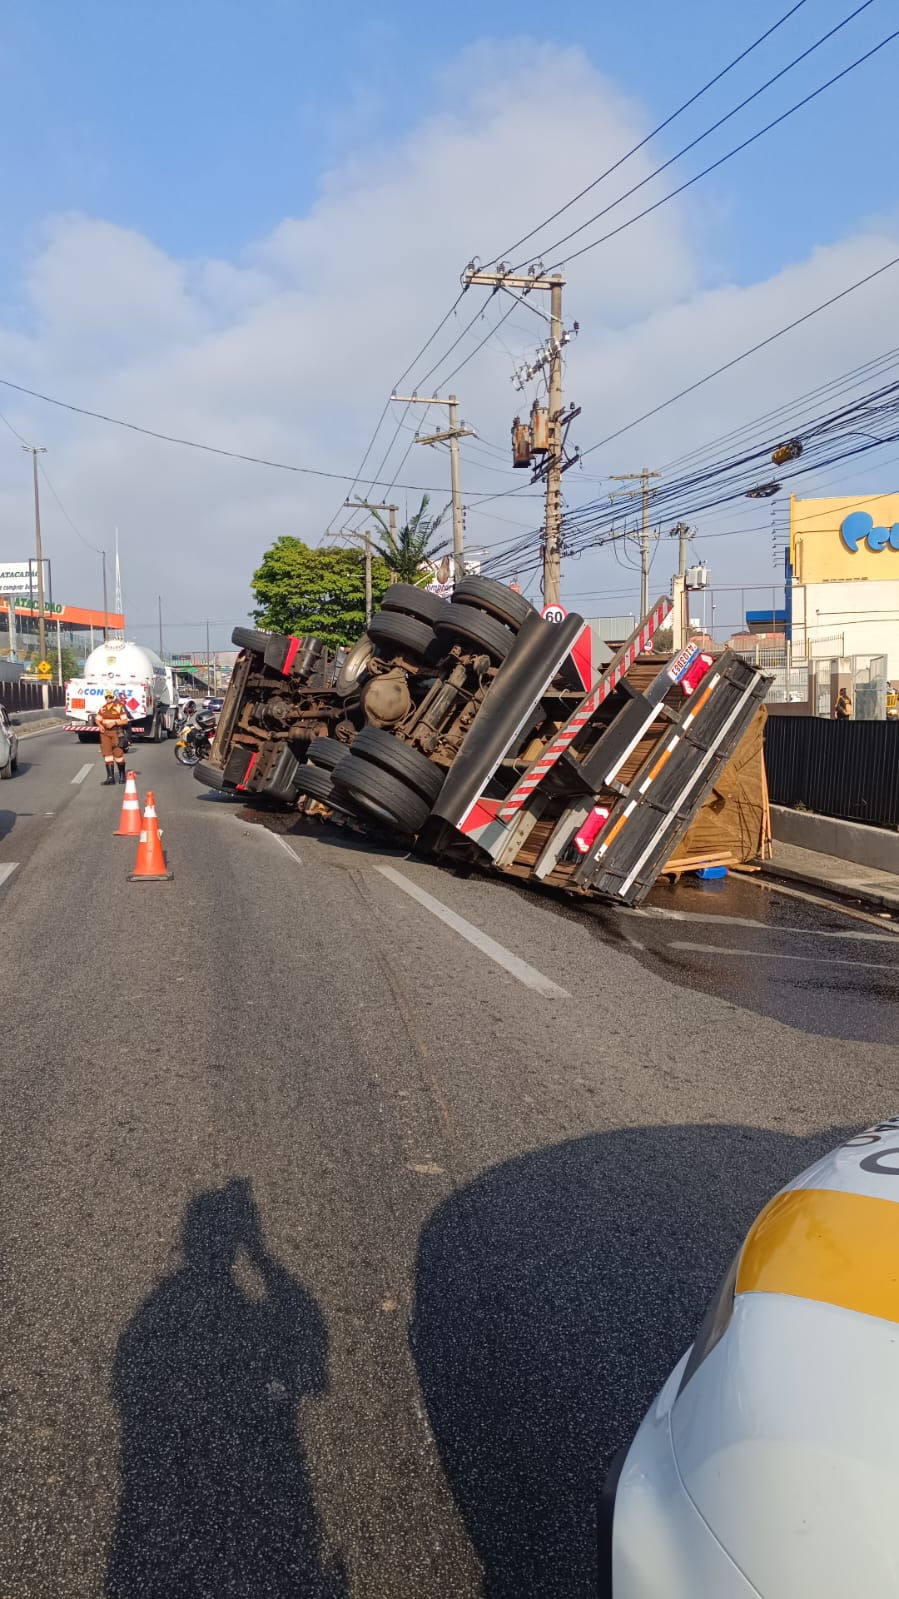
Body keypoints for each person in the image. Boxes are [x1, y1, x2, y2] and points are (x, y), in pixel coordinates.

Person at [96, 689, 130, 783]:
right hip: (105, 734)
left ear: (113, 697)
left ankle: (122, 777)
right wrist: (100, 726)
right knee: (107, 755)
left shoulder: (118, 707)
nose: (108, 699)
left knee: (118, 754)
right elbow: (97, 719)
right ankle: (110, 778)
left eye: (110, 697)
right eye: (106, 697)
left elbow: (125, 721)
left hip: (116, 733)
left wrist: (114, 722)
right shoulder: (102, 708)